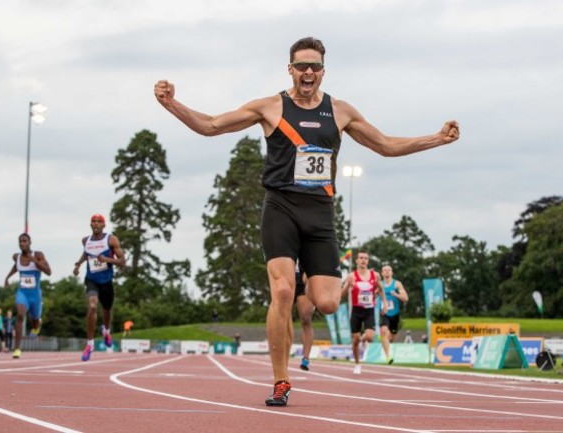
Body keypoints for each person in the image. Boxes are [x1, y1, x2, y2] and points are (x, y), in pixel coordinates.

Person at [154, 36, 459, 406]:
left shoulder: (341, 111)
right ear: (290, 69)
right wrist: (172, 104)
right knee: (282, 292)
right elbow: (212, 125)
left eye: (315, 66)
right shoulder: (270, 106)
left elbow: (385, 145)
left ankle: (307, 279)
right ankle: (281, 380)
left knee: (328, 303)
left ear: (323, 71)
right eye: (301, 66)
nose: (308, 72)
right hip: (280, 207)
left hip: (320, 214)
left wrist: (437, 139)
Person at [73, 214, 126, 362]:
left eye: (99, 222)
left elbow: (123, 262)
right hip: (92, 280)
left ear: (103, 225)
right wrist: (78, 264)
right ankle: (90, 344)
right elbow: (87, 253)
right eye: (93, 221)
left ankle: (106, 331)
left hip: (106, 282)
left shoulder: (111, 239)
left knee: (107, 310)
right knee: (92, 306)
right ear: (90, 224)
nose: (96, 224)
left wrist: (107, 259)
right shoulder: (86, 241)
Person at [4, 233, 52, 359]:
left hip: (35, 295)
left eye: (24, 241)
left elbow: (49, 272)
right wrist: (7, 277)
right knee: (20, 314)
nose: (22, 243)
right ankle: (17, 349)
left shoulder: (38, 255)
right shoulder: (16, 257)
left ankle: (37, 325)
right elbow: (16, 267)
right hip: (23, 293)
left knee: (35, 322)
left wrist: (34, 261)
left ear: (30, 242)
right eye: (20, 241)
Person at [341, 250, 387, 374]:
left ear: (368, 261)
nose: (363, 260)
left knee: (370, 337)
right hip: (356, 311)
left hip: (369, 310)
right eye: (361, 258)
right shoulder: (352, 276)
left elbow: (381, 290)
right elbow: (342, 295)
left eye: (366, 258)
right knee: (355, 340)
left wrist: (385, 304)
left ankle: (363, 339)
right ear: (356, 261)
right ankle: (357, 364)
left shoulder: (375, 275)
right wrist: (347, 286)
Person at [378, 265, 409, 364]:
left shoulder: (397, 284)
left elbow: (406, 298)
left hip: (395, 314)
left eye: (389, 270)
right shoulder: (379, 284)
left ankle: (385, 337)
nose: (387, 272)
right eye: (384, 270)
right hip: (384, 313)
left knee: (391, 337)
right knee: (383, 331)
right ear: (382, 273)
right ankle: (388, 357)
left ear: (392, 273)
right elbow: (372, 295)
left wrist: (395, 294)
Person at [294, 264, 315, 371]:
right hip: (286, 273)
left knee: (306, 318)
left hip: (304, 274)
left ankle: (305, 359)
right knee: (283, 316)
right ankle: (280, 356)